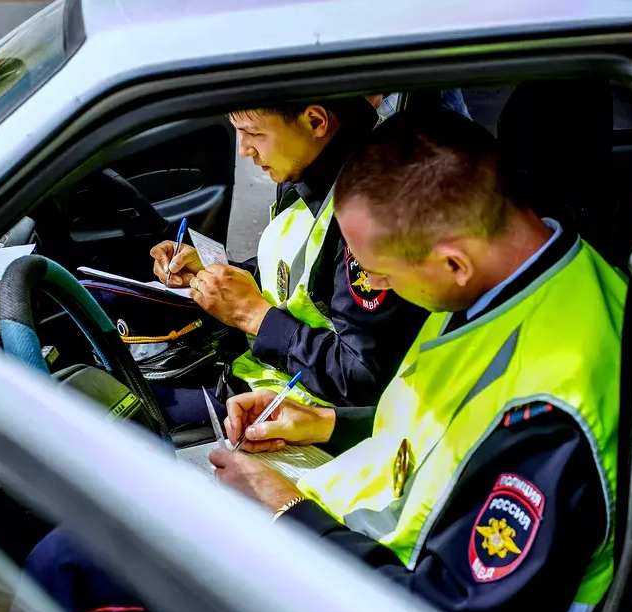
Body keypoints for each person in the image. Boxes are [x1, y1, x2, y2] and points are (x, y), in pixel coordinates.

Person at [11, 106, 624, 612]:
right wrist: (328, 424)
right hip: (340, 531)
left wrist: (288, 513)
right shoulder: (521, 277)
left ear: (452, 261)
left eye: (381, 273)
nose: (375, 290)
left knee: (74, 568)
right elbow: (440, 425)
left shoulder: (549, 420)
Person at [142, 99, 428, 427]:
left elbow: (360, 379)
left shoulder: (366, 212)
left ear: (316, 122)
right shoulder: (306, 172)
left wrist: (255, 317)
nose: (244, 151)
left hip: (309, 415)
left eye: (254, 134)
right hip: (263, 377)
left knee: (138, 417)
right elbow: (296, 276)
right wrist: (218, 274)